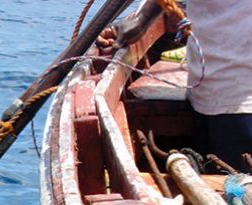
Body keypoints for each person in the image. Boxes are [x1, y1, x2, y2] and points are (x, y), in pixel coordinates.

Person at [97, 0, 252, 170]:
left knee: (234, 184)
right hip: (217, 95)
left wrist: (141, 20)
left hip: (232, 98)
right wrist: (139, 22)